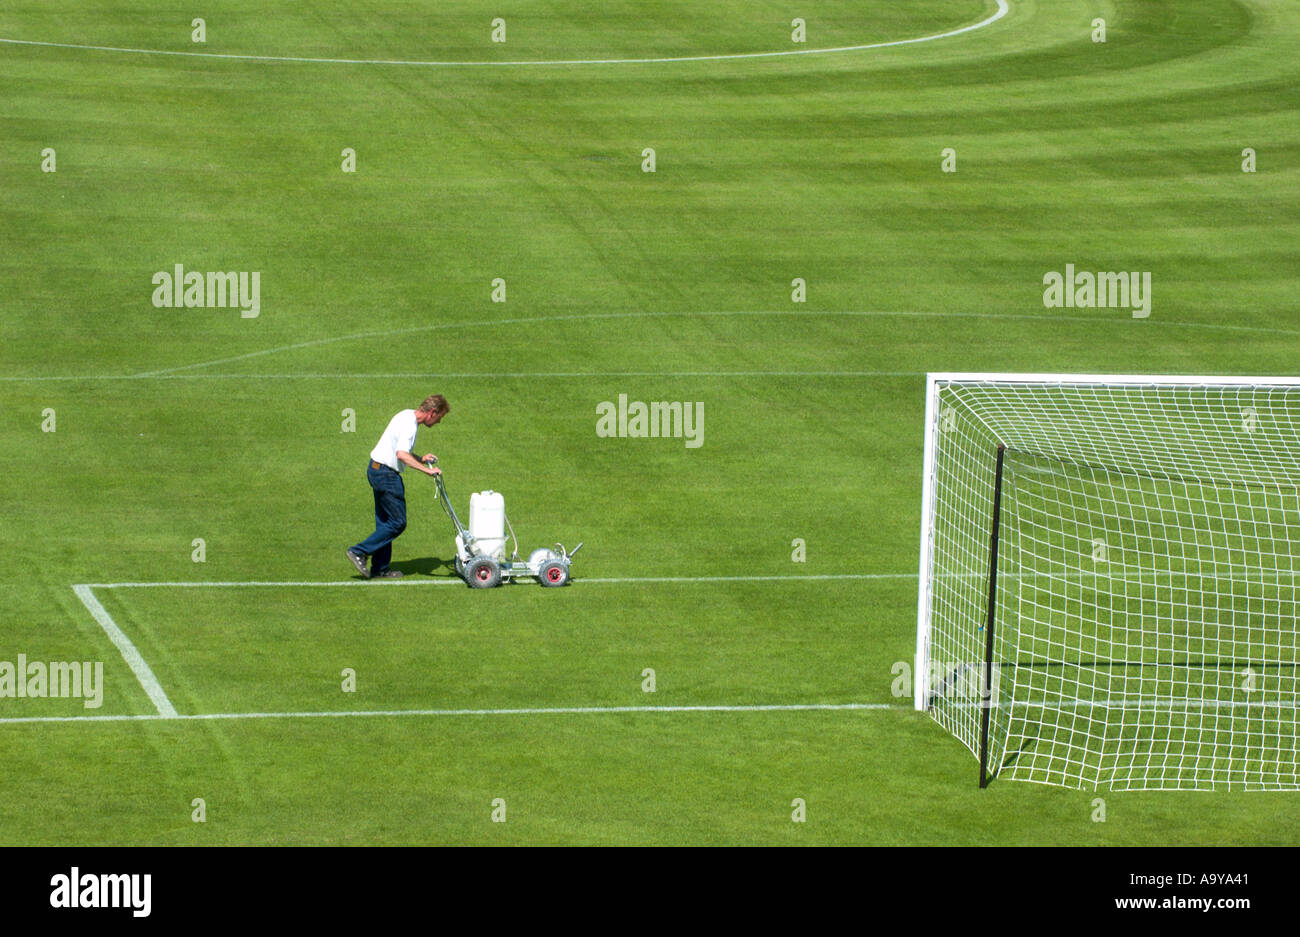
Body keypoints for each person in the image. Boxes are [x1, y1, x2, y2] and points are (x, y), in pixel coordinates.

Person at [346, 394, 448, 579]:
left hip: (375, 469)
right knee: (397, 522)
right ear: (433, 412)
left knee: (385, 522)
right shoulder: (410, 426)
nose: (439, 422)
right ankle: (359, 551)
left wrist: (421, 459)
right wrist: (428, 471)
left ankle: (380, 568)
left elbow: (401, 450)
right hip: (386, 475)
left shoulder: (406, 415)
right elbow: (401, 455)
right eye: (440, 417)